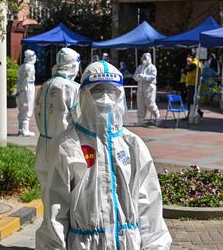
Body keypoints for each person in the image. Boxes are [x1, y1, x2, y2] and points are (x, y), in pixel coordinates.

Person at [36, 61, 172, 249]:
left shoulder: (132, 145)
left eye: (112, 91)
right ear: (83, 95)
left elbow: (148, 204)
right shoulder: (69, 146)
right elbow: (55, 211)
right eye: (97, 90)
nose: (106, 99)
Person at [34, 47, 81, 194]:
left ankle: (48, 217)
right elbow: (80, 119)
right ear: (73, 65)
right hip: (65, 146)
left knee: (47, 189)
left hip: (43, 145)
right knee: (66, 192)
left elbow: (37, 113)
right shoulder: (73, 88)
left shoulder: (45, 85)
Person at [133, 53, 161, 126]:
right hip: (140, 88)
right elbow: (134, 76)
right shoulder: (140, 67)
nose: (145, 60)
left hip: (149, 88)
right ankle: (141, 121)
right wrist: (138, 77)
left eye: (146, 58)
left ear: (150, 59)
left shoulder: (152, 67)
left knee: (150, 104)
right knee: (140, 105)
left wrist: (144, 77)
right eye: (144, 58)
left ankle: (158, 117)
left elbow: (152, 77)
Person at [17, 49, 37, 136]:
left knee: (22, 108)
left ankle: (21, 128)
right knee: (27, 107)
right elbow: (26, 79)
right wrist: (23, 89)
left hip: (22, 88)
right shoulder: (29, 67)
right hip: (27, 88)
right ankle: (24, 130)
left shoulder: (22, 66)